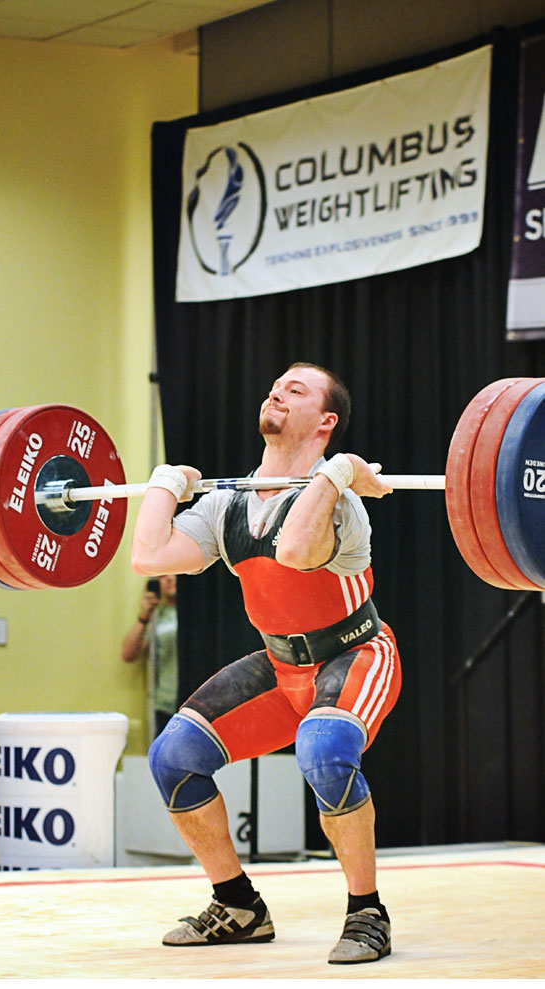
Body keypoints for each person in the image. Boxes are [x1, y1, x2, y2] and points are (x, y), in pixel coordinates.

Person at [130, 362, 401, 964]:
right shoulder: (229, 503)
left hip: (354, 654)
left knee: (325, 753)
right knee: (174, 758)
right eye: (276, 385)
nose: (276, 391)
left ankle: (367, 913)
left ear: (324, 421)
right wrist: (162, 484)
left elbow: (298, 550)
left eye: (296, 390)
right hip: (282, 671)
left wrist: (337, 474)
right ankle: (238, 906)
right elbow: (149, 557)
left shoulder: (341, 506)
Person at [121, 574, 178, 738]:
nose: (169, 579)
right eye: (162, 576)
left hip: (197, 700)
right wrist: (144, 615)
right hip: (164, 704)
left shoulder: (202, 614)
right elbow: (129, 654)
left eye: (174, 573)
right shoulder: (156, 617)